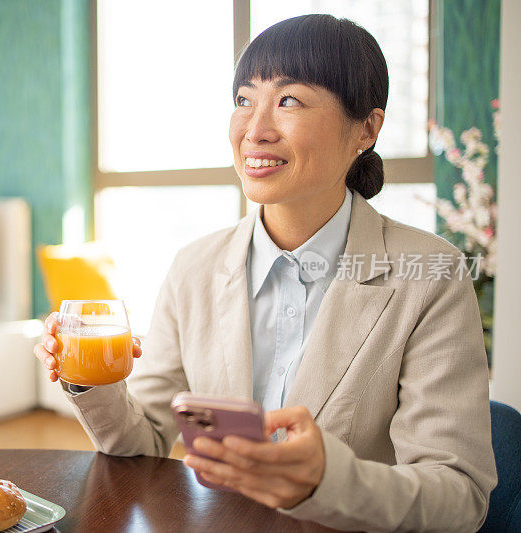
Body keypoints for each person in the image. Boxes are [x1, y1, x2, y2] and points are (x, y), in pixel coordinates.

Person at [33, 14, 496, 532]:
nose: (255, 130)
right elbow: (143, 445)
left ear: (366, 129)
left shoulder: (430, 276)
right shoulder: (194, 267)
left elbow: (460, 495)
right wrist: (91, 381)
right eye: (243, 100)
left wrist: (327, 481)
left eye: (289, 100)